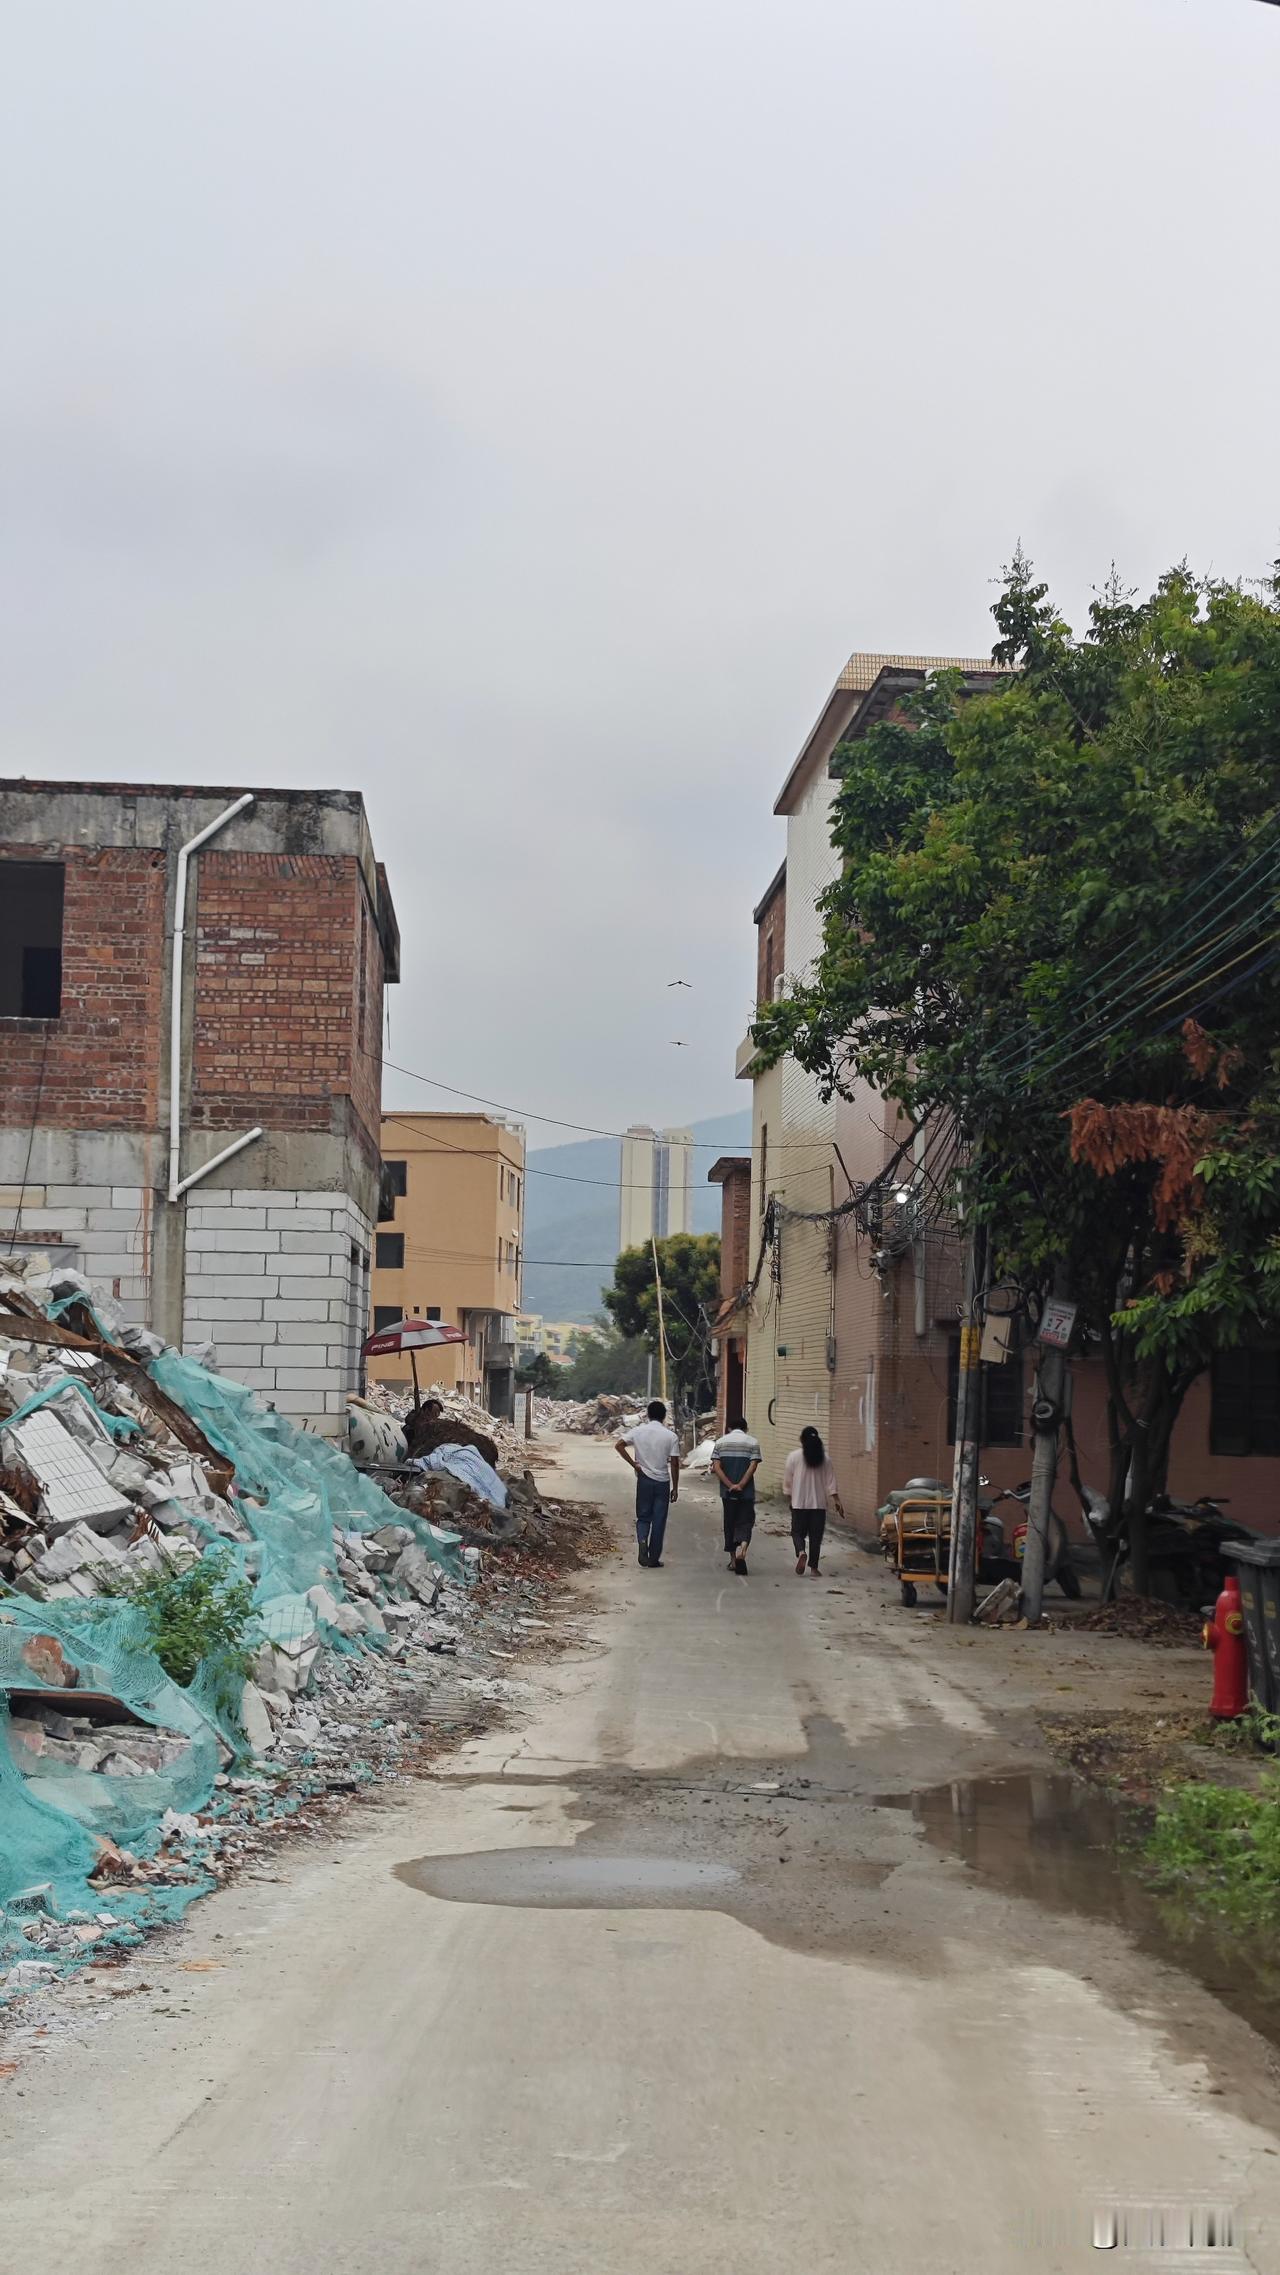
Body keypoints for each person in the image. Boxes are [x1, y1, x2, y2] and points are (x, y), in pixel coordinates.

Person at [615, 1399, 681, 1567]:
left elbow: (619, 1445)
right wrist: (675, 1488)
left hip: (644, 1478)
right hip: (662, 1482)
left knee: (643, 1517)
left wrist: (634, 1464)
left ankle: (642, 1540)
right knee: (659, 1520)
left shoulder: (638, 1431)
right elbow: (674, 1463)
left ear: (648, 1415)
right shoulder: (670, 1436)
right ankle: (653, 1559)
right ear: (664, 1416)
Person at [783, 1427, 843, 1577]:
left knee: (797, 1532)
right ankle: (814, 1568)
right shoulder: (825, 1458)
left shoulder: (794, 1457)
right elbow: (831, 1481)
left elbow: (788, 1481)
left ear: (802, 1440)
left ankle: (801, 1552)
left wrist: (789, 1498)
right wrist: (837, 1500)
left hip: (799, 1503)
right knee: (816, 1537)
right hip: (819, 1505)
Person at [711, 1414, 762, 1576]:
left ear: (729, 1428)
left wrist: (730, 1485)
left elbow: (716, 1467)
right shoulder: (753, 1442)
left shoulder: (720, 1443)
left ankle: (733, 1560)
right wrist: (741, 1485)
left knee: (730, 1523)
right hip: (746, 1492)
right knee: (745, 1522)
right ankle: (743, 1551)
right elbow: (753, 1466)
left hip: (728, 1493)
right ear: (746, 1429)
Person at [403, 1395, 500, 1470]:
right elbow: (410, 1421)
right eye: (434, 1413)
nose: (436, 1416)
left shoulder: (437, 1426)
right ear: (426, 1410)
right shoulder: (417, 1419)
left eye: (437, 1414)